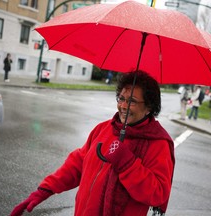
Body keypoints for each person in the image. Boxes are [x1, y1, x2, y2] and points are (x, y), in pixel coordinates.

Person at [10, 71, 175, 216]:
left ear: (149, 107)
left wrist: (127, 164)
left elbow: (158, 193)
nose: (123, 106)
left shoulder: (158, 144)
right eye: (121, 98)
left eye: (132, 101)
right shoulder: (104, 129)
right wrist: (45, 190)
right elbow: (78, 163)